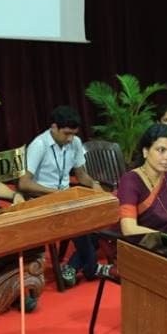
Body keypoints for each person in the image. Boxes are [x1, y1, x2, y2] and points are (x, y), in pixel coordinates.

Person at [18, 105, 110, 286]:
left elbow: (81, 175)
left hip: (67, 199)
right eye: (66, 133)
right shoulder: (39, 145)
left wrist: (94, 184)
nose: (70, 139)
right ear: (54, 127)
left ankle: (72, 267)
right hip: (42, 200)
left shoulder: (75, 142)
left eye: (73, 134)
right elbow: (24, 183)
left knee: (99, 223)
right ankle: (91, 269)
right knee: (82, 224)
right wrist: (57, 194)